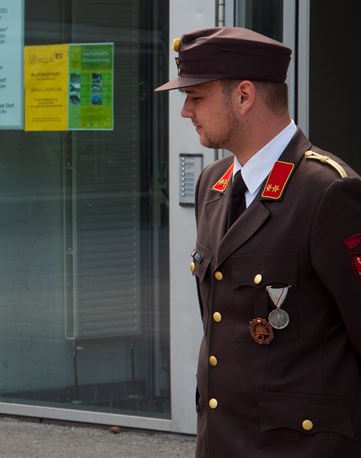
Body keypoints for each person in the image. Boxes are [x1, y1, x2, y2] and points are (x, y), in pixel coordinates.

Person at [155, 27, 361, 456]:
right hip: (223, 440)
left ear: (244, 96)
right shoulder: (213, 184)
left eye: (196, 97)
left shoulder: (326, 192)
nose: (186, 112)